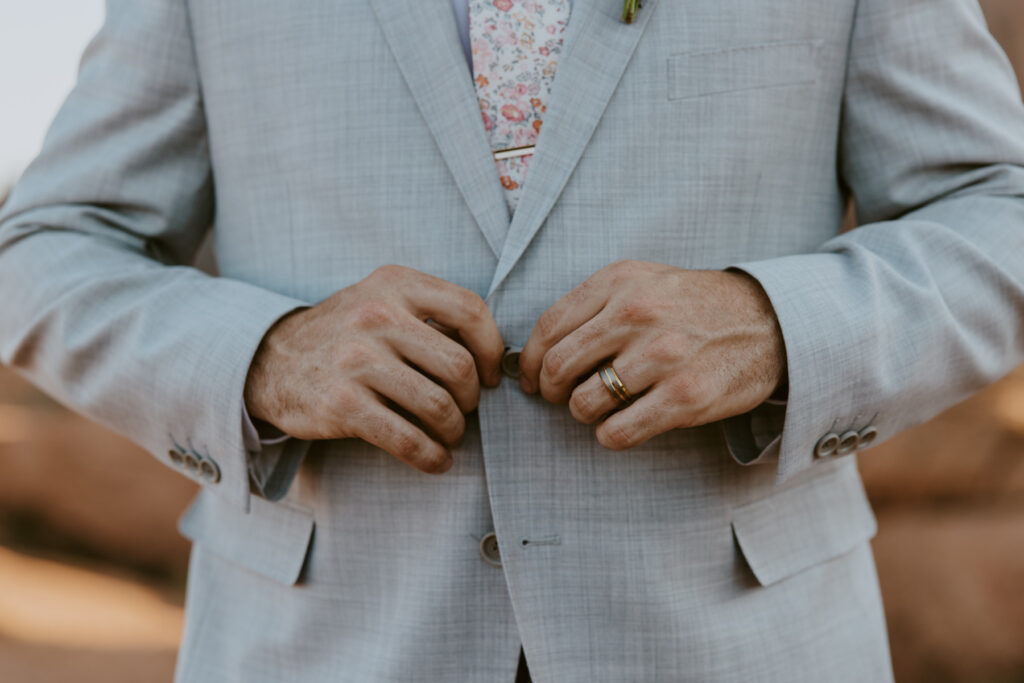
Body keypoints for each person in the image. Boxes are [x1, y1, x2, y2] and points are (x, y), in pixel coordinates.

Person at [2, 0, 1024, 680]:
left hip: (740, 642)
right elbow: (43, 246)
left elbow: (999, 211)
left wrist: (776, 325)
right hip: (320, 645)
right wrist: (264, 356)